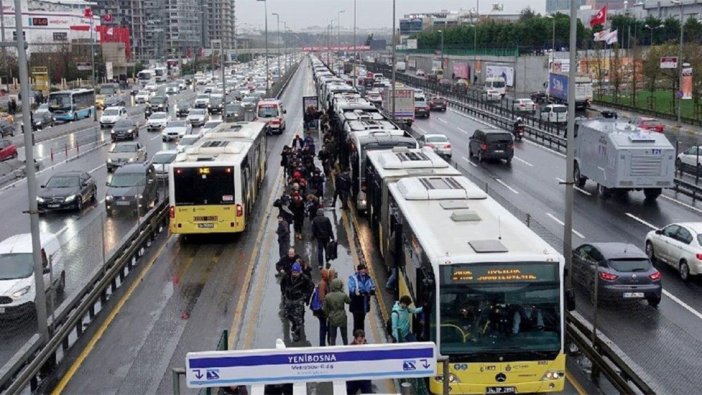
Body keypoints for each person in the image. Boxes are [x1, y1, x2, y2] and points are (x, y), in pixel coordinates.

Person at [280, 262, 314, 342]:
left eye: (296, 272)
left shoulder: (304, 278)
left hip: (298, 300)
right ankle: (294, 324)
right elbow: (282, 285)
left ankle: (297, 333)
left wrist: (305, 296)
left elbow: (310, 287)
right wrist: (284, 293)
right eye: (294, 272)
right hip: (288, 299)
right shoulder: (287, 276)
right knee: (287, 314)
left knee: (298, 318)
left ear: (300, 272)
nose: (295, 274)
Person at [348, 264, 376, 333]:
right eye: (362, 269)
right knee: (357, 321)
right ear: (358, 270)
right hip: (356, 305)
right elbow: (351, 289)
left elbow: (372, 286)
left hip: (364, 304)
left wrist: (372, 290)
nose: (363, 271)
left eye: (364, 269)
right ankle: (357, 335)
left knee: (362, 320)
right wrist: (358, 292)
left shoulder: (368, 278)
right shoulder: (353, 279)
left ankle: (361, 335)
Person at [323, 278, 351, 345]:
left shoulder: (327, 296)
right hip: (342, 316)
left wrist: (328, 315)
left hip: (332, 317)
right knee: (344, 336)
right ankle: (346, 347)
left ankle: (333, 348)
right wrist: (343, 292)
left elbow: (325, 309)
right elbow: (349, 301)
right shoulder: (342, 295)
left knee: (333, 337)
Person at [346, 330, 373, 394]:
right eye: (359, 341)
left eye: (362, 341)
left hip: (365, 378)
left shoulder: (369, 348)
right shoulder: (349, 349)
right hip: (353, 378)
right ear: (355, 339)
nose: (360, 344)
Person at [314, 268, 334, 346]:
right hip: (323, 310)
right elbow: (322, 298)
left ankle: (325, 342)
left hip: (325, 309)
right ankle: (323, 343)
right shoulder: (323, 284)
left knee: (325, 326)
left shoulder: (326, 282)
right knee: (324, 326)